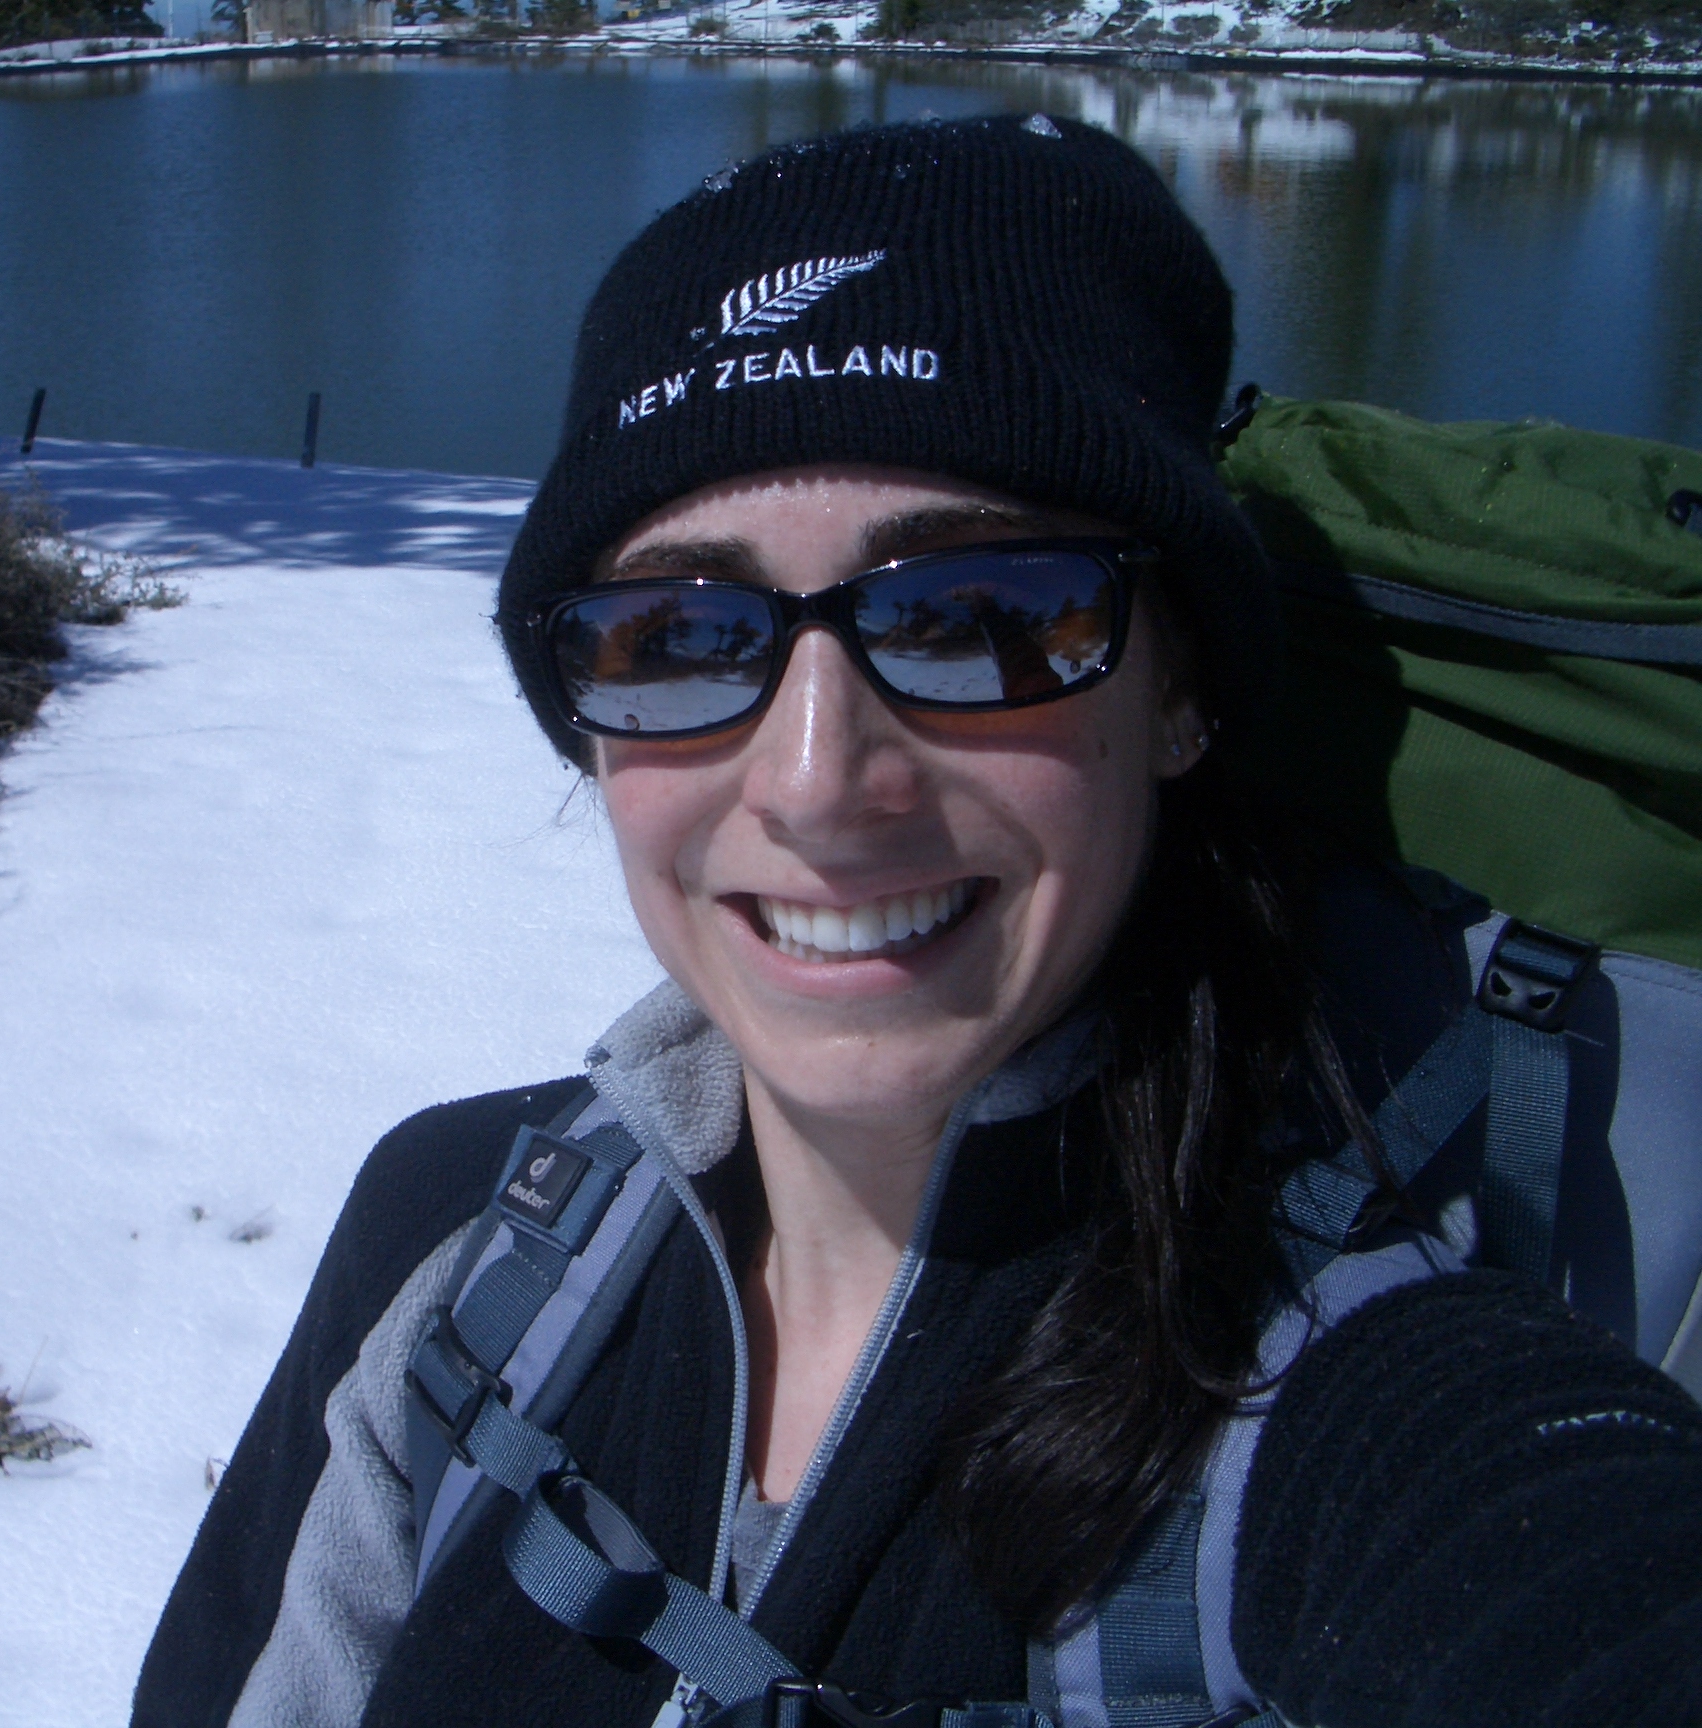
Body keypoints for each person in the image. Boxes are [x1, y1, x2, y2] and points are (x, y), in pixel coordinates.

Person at [131, 117, 1702, 1728]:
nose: (817, 783)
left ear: (1179, 694)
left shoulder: (1357, 1388)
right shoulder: (453, 1252)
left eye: (978, 614)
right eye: (682, 632)